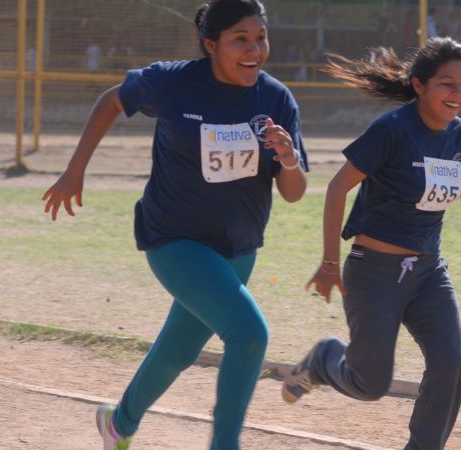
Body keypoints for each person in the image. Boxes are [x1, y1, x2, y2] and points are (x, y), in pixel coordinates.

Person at [42, 1, 308, 448]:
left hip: (238, 247)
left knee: (179, 350)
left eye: (260, 37)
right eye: (240, 39)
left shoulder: (276, 98)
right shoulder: (172, 82)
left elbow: (294, 192)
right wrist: (75, 170)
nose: (254, 49)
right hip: (174, 239)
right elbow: (112, 101)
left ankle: (119, 424)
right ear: (211, 45)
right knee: (249, 334)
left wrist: (289, 159)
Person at [282, 37, 461, 450]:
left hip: (428, 272)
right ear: (419, 85)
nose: (458, 94)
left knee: (449, 362)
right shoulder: (392, 130)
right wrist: (330, 264)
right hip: (374, 272)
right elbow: (337, 189)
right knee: (369, 385)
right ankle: (323, 360)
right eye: (447, 84)